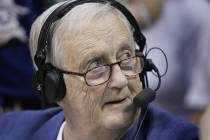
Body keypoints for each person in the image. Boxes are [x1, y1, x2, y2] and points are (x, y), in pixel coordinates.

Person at [0, 0, 198, 140]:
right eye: (96, 66)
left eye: (126, 58)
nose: (120, 80)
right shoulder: (10, 130)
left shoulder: (184, 136)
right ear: (53, 86)